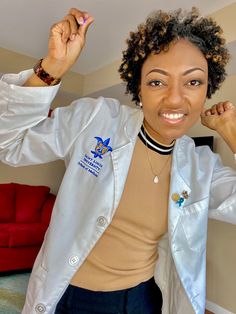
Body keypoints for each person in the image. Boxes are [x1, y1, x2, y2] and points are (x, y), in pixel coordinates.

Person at [0, 6, 236, 314]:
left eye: (193, 82)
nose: (175, 98)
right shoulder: (96, 119)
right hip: (70, 295)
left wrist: (232, 133)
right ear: (138, 87)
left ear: (208, 89)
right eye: (157, 81)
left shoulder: (201, 166)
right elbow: (10, 143)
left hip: (142, 299)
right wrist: (51, 68)